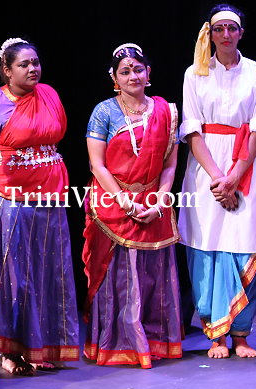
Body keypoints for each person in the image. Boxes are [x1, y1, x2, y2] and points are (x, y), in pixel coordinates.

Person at [0, 38, 79, 376]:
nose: (33, 69)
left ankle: (42, 346)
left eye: (35, 62)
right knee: (14, 276)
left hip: (50, 195)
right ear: (7, 70)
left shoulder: (49, 94)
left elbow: (55, 135)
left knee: (49, 272)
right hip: (10, 199)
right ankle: (11, 350)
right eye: (24, 64)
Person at [178, 4, 256, 358]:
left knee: (244, 244)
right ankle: (215, 335)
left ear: (241, 33)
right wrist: (219, 179)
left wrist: (234, 177)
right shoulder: (195, 72)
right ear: (211, 34)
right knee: (206, 246)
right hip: (205, 170)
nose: (226, 35)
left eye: (232, 28)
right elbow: (192, 129)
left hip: (245, 166)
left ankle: (242, 335)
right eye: (219, 29)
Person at [82, 43, 183, 368]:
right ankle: (119, 343)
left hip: (153, 200)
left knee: (153, 276)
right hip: (113, 201)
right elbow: (97, 165)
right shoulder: (104, 112)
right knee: (118, 276)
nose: (133, 76)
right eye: (125, 71)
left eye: (138, 69)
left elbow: (170, 165)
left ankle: (154, 341)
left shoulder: (166, 112)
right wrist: (123, 200)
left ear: (148, 73)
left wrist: (161, 199)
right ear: (114, 77)